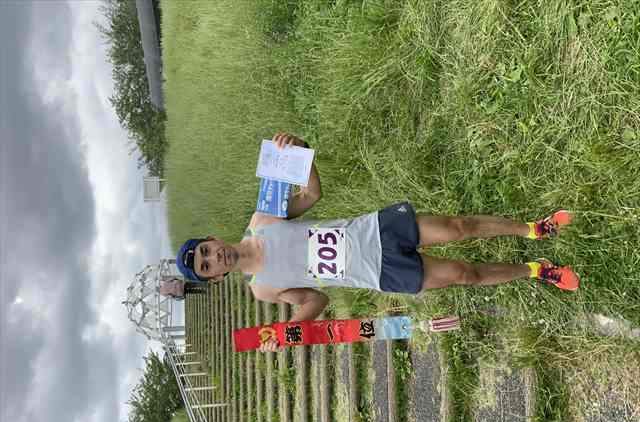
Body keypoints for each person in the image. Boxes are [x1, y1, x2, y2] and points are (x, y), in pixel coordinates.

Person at [176, 132, 579, 351]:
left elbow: (311, 194)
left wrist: (300, 151)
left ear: (212, 238)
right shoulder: (262, 289)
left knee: (459, 227)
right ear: (216, 278)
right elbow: (317, 300)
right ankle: (537, 270)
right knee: (464, 274)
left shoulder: (262, 218)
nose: (214, 257)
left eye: (207, 250)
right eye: (207, 266)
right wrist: (288, 331)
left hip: (375, 231)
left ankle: (533, 229)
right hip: (377, 272)